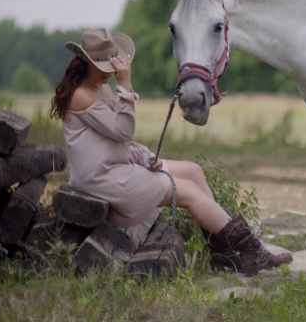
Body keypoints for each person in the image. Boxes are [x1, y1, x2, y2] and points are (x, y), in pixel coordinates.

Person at [50, 28, 292, 276]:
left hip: (117, 166)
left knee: (193, 172)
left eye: (111, 67)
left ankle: (224, 255)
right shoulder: (82, 95)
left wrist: (147, 158)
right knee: (188, 192)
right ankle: (252, 251)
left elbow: (117, 143)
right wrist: (126, 85)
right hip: (103, 179)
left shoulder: (99, 88)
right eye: (102, 67)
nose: (109, 73)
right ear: (85, 62)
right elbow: (123, 132)